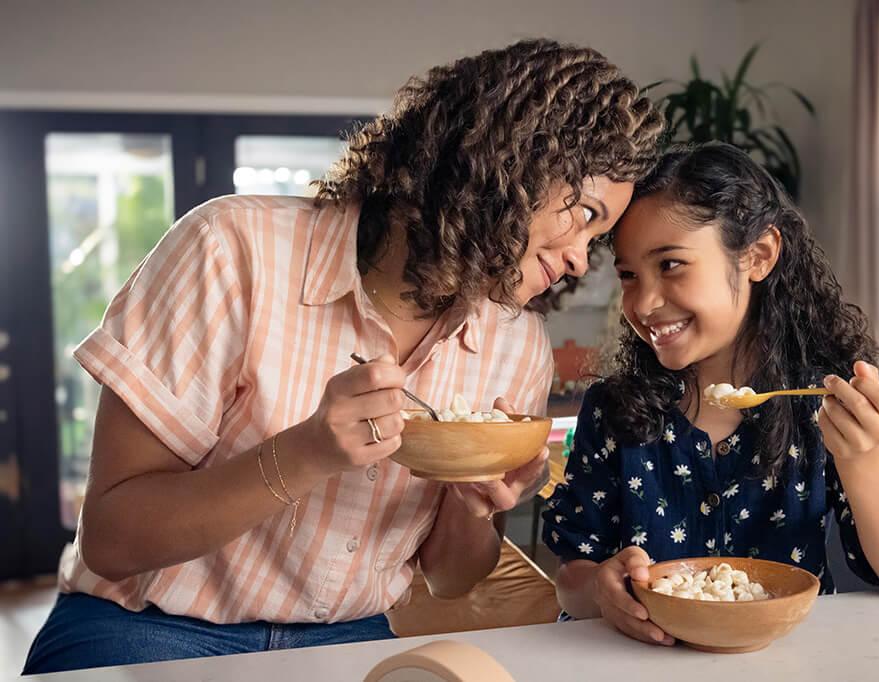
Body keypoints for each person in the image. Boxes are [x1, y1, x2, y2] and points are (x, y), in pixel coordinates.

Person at [23, 39, 663, 673]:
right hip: (146, 630)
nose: (582, 257)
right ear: (509, 161)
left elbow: (449, 579)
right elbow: (111, 538)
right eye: (582, 214)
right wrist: (303, 455)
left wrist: (473, 508)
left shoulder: (514, 342)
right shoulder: (229, 248)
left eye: (597, 237)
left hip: (351, 642)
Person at [542, 143, 879, 646]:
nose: (643, 302)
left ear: (757, 256)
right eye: (629, 275)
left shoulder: (817, 403)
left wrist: (863, 456)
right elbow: (571, 580)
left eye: (670, 265)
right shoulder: (614, 409)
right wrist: (602, 592)